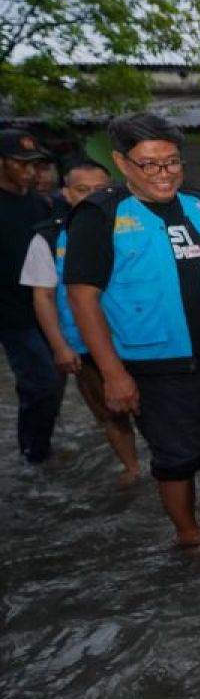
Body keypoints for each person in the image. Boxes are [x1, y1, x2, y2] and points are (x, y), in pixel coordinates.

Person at [65, 113, 200, 545]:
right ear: (122, 163)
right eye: (150, 164)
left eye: (172, 163)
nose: (164, 174)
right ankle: (190, 537)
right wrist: (113, 374)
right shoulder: (100, 214)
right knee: (177, 458)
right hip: (155, 366)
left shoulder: (198, 204)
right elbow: (82, 297)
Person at [19, 159, 139, 480]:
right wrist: (59, 346)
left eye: (100, 190)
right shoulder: (47, 237)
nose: (91, 197)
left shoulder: (133, 224)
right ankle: (133, 469)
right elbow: (43, 296)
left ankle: (171, 465)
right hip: (84, 343)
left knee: (155, 406)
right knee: (109, 411)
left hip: (136, 336)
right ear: (66, 193)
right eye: (82, 190)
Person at [0, 128, 60, 464]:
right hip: (11, 316)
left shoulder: (39, 203)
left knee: (46, 384)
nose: (30, 171)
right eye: (20, 164)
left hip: (42, 309)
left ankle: (38, 448)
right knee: (42, 382)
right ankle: (34, 456)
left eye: (34, 164)